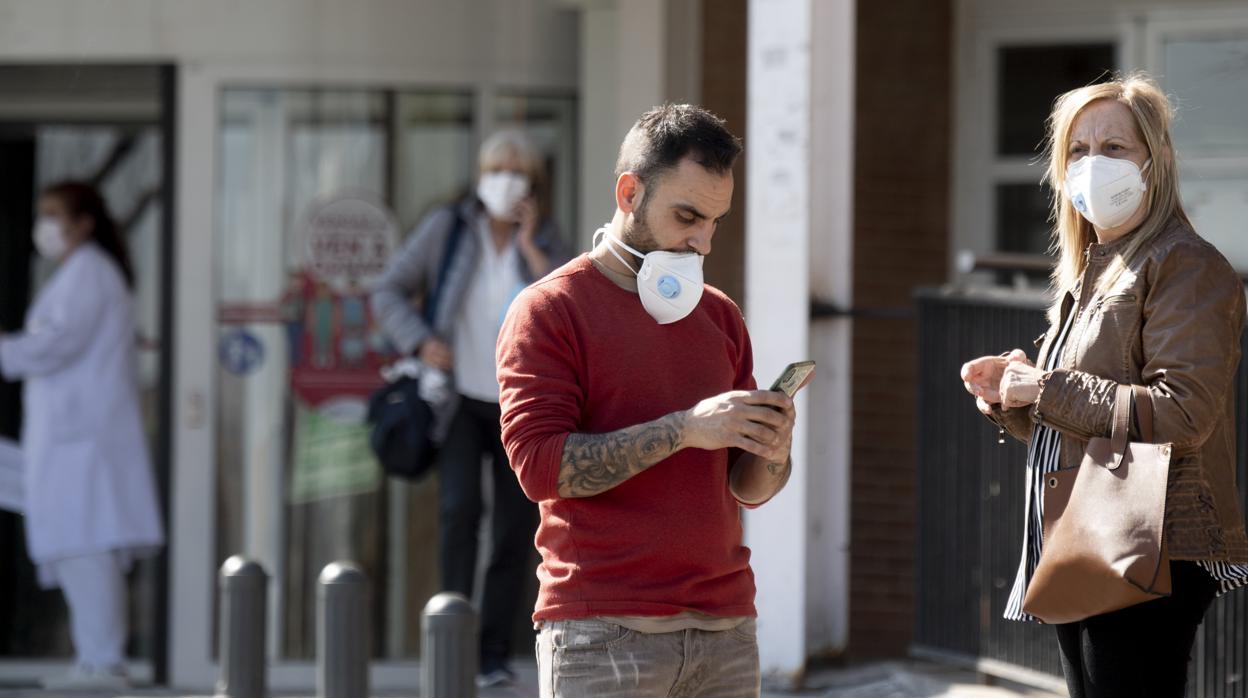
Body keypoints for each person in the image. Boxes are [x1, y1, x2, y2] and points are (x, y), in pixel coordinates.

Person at [960, 73, 1248, 697]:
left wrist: (1045, 388)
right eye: (1079, 149)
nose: (1094, 163)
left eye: (1115, 147)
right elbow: (1087, 415)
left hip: (1152, 537)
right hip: (1088, 528)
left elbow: (1183, 415)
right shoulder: (1096, 268)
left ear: (1156, 158)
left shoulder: (1184, 263)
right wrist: (1012, 397)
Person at [496, 104, 797, 698]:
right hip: (602, 633)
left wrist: (773, 448)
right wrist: (685, 429)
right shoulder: (550, 310)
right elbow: (540, 469)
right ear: (629, 193)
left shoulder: (720, 316)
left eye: (715, 221)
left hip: (725, 631)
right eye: (687, 216)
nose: (702, 241)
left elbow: (748, 489)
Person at [371, 130, 566, 687]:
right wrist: (420, 341)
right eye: (495, 170)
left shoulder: (548, 240)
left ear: (534, 185)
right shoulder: (449, 228)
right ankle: (451, 641)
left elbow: (567, 309)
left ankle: (492, 653)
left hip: (516, 405)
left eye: (517, 172)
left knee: (513, 529)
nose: (504, 182)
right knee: (459, 513)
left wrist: (531, 246)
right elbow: (388, 289)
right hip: (457, 400)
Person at [0, 181, 165, 689]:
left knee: (85, 543)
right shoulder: (79, 274)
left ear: (84, 223)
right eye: (43, 214)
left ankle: (102, 660)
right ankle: (94, 657)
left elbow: (57, 343)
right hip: (69, 439)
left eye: (55, 214)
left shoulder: (91, 272)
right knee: (71, 538)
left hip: (84, 441)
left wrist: (5, 351)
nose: (45, 226)